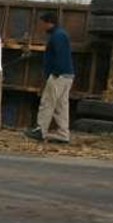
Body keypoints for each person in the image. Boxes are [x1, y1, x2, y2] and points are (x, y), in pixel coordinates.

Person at [25, 12, 74, 144]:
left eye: (42, 23)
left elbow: (59, 55)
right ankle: (63, 133)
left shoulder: (57, 36)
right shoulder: (61, 34)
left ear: (48, 23)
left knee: (47, 102)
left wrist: (55, 73)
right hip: (67, 75)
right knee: (61, 106)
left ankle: (41, 130)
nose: (41, 26)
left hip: (58, 76)